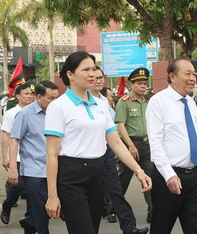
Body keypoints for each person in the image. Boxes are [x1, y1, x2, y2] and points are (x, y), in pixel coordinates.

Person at [44, 51, 152, 234]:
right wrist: (52, 195)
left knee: (93, 229)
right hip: (71, 176)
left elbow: (116, 143)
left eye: (93, 69)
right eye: (85, 69)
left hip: (97, 172)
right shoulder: (58, 107)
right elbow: (52, 154)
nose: (92, 74)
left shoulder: (101, 105)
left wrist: (138, 171)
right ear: (70, 74)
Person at [146, 57, 197, 234]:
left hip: (193, 176)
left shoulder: (190, 102)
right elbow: (156, 143)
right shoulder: (158, 102)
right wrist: (169, 175)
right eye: (188, 73)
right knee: (161, 227)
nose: (193, 78)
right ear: (172, 76)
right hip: (168, 176)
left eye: (194, 74)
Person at [89, 66, 149, 234]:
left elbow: (113, 131)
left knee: (116, 191)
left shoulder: (104, 103)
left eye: (101, 77)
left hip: (108, 152)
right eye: (95, 77)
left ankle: (129, 228)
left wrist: (118, 148)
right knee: (94, 199)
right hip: (86, 157)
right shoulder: (71, 103)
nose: (99, 80)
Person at [7, 80, 59, 234]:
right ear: (38, 97)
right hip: (34, 171)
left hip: (55, 168)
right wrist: (12, 168)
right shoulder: (24, 114)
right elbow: (14, 140)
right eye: (51, 98)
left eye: (56, 97)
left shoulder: (58, 112)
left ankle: (29, 222)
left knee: (51, 208)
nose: (54, 102)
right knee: (41, 211)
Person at [115, 68, 153, 223]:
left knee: (149, 177)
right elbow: (120, 125)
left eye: (145, 83)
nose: (143, 86)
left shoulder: (147, 102)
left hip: (146, 144)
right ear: (132, 84)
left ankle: (153, 211)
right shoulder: (124, 102)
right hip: (130, 145)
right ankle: (112, 208)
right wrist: (130, 145)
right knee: (122, 180)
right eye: (139, 83)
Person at [1, 83, 33, 226]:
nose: (29, 96)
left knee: (33, 189)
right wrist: (5, 157)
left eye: (31, 94)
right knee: (18, 186)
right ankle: (7, 206)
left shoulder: (37, 112)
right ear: (18, 96)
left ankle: (30, 218)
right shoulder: (11, 114)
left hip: (34, 158)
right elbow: (6, 135)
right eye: (26, 93)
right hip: (17, 157)